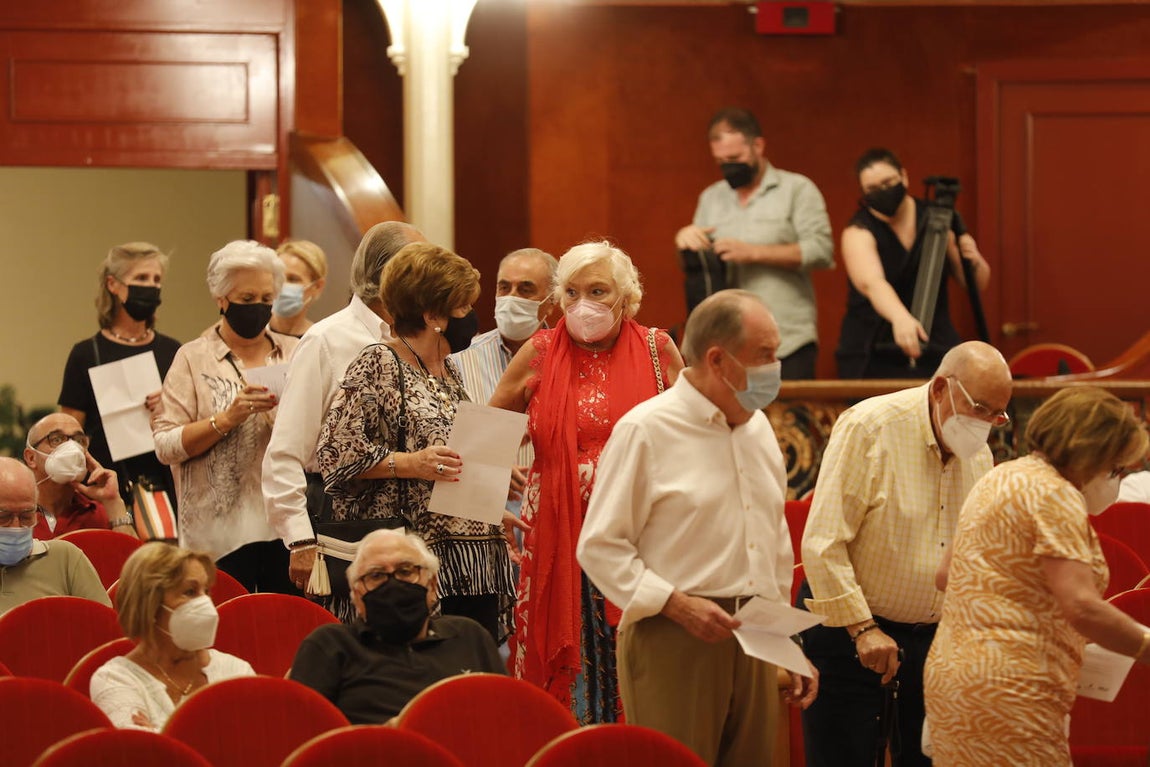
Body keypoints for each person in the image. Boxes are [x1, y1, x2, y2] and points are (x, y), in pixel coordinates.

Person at [577, 289, 817, 766]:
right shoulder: (647, 429)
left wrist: (787, 645)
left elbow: (771, 544)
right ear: (718, 359)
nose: (778, 366)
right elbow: (600, 546)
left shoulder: (759, 428)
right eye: (766, 355)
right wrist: (677, 605)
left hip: (753, 633)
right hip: (673, 636)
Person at [489, 240, 684, 723]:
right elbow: (483, 433)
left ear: (626, 298)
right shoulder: (538, 351)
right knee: (566, 653)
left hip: (640, 534)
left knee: (636, 651)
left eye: (598, 291)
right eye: (571, 292)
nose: (583, 305)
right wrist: (490, 495)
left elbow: (694, 433)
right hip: (556, 534)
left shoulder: (659, 349)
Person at [799, 341, 1013, 767]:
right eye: (981, 408)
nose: (987, 423)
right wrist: (863, 630)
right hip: (850, 632)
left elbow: (974, 557)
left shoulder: (980, 453)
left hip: (931, 644)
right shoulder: (868, 427)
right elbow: (823, 543)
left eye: (998, 414)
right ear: (939, 389)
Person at [923, 386, 1149, 765]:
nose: (1116, 479)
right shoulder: (1053, 494)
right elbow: (1082, 607)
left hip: (954, 678)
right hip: (1012, 690)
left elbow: (946, 575)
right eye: (1115, 468)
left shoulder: (1000, 476)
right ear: (1090, 452)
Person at [317, 242, 516, 635]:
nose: (471, 317)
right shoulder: (378, 362)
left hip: (468, 559)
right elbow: (336, 454)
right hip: (408, 561)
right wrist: (410, 463)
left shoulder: (447, 370)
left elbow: (450, 457)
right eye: (463, 307)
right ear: (433, 315)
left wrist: (489, 494)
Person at [263, 222, 425, 592]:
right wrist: (300, 538)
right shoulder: (327, 340)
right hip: (337, 516)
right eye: (419, 264)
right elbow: (285, 452)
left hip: (407, 522)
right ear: (389, 273)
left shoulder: (417, 339)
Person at [152, 240, 299, 594]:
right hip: (215, 541)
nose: (259, 309)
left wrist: (287, 420)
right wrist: (227, 418)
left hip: (285, 532)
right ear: (222, 299)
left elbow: (324, 441)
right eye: (247, 300)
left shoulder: (296, 352)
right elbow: (165, 445)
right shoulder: (192, 358)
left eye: (267, 300)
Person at [673, 107, 833, 379]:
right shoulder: (711, 198)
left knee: (789, 421)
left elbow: (821, 250)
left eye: (735, 158)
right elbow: (699, 266)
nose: (729, 167)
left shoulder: (797, 189)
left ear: (758, 145)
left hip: (787, 339)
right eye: (722, 161)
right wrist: (685, 239)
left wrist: (754, 252)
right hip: (729, 345)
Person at [290, 529, 505, 724]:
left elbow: (506, 720)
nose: (393, 583)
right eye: (376, 575)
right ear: (356, 595)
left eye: (406, 571)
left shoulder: (468, 636)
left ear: (432, 586)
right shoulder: (330, 646)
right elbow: (303, 740)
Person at [836, 147, 992, 379]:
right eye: (872, 189)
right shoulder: (858, 230)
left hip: (935, 340)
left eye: (888, 182)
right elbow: (872, 283)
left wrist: (973, 256)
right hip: (872, 347)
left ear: (904, 176)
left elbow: (977, 283)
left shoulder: (938, 218)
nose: (883, 192)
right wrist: (900, 318)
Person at [58, 242, 182, 504]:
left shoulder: (174, 352)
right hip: (105, 488)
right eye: (140, 278)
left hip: (166, 486)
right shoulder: (86, 353)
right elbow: (67, 434)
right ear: (113, 285)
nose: (150, 286)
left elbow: (194, 424)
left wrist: (172, 406)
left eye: (156, 279)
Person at [90, 542, 255, 731]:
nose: (205, 602)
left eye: (206, 591)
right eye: (190, 592)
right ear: (150, 604)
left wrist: (162, 733)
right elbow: (144, 754)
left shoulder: (236, 671)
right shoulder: (114, 679)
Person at [449, 247, 558, 522]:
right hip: (482, 514)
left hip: (554, 510)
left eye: (525, 289)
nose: (511, 299)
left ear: (551, 300)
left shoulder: (569, 359)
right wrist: (489, 465)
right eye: (504, 288)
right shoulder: (459, 359)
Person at [0, 458, 110, 614]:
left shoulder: (65, 558)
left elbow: (106, 629)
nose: (16, 527)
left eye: (26, 516)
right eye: (3, 517)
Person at [23, 413, 136, 539]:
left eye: (79, 441)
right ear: (31, 457)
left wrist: (113, 502)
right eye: (57, 439)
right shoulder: (12, 512)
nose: (72, 448)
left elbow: (131, 557)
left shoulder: (98, 513)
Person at [269, 239, 328, 337]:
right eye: (278, 277)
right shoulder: (254, 332)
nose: (282, 285)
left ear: (317, 286)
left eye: (293, 279)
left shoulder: (318, 340)